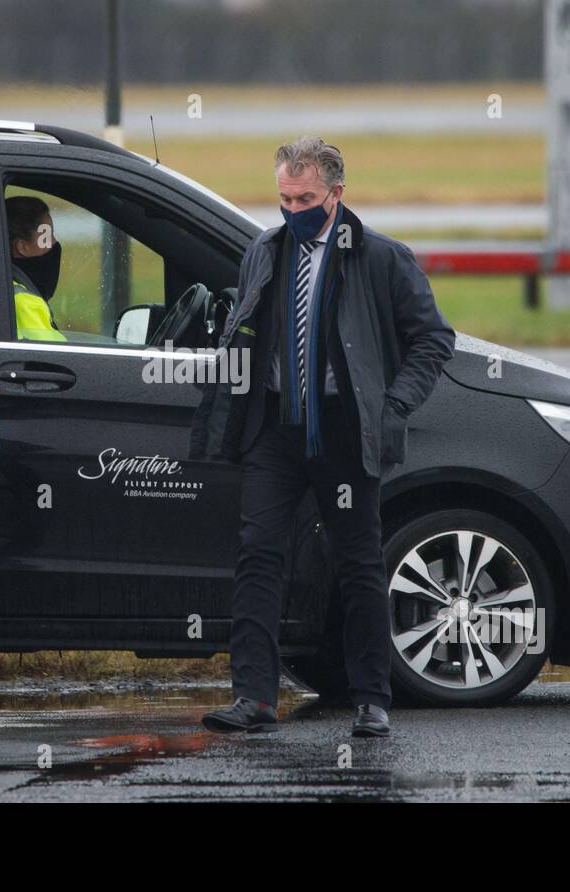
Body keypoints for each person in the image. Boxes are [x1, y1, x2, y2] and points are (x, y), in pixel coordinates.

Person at [190, 136, 456, 738]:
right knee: (259, 554)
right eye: (284, 197)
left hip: (343, 430)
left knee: (358, 561)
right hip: (275, 428)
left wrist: (392, 408)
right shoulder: (265, 249)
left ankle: (371, 698)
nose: (293, 208)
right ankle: (254, 698)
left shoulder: (382, 258)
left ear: (336, 193)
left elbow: (434, 340)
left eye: (305, 197)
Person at [5, 195, 67, 341]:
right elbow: (58, 358)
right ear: (22, 247)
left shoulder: (5, 285)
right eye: (46, 237)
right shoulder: (23, 302)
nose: (55, 243)